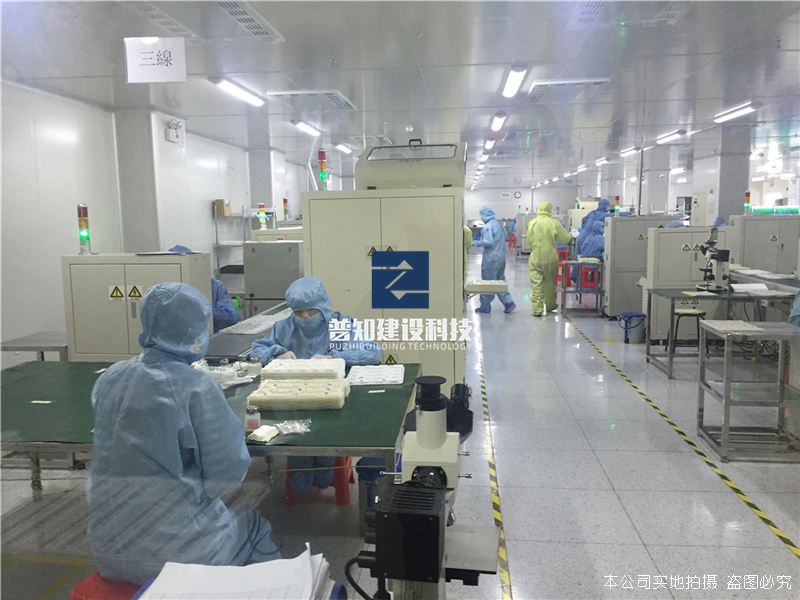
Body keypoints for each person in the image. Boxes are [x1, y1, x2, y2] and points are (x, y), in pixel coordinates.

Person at [86, 283, 280, 584]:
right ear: (194, 333)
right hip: (177, 555)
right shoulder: (195, 388)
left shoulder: (110, 378)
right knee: (253, 523)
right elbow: (224, 478)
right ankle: (278, 587)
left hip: (108, 551)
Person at [250, 276, 381, 492]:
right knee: (294, 435)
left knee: (327, 436)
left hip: (331, 397)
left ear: (323, 306)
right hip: (291, 399)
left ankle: (325, 463)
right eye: (299, 312)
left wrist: (336, 357)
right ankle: (301, 465)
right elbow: (257, 349)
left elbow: (372, 352)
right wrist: (276, 353)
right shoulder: (284, 327)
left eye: (311, 312)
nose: (305, 317)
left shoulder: (341, 325)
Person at [168, 245, 242, 333]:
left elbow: (232, 317)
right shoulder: (162, 292)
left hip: (211, 338)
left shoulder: (214, 286)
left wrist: (199, 310)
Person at [527, 201, 572, 316]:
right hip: (551, 257)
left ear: (538, 209)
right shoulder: (555, 223)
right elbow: (565, 239)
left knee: (536, 284)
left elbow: (529, 240)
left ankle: (537, 309)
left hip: (536, 256)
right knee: (550, 282)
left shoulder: (532, 223)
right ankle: (550, 305)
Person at [473, 206, 516, 313]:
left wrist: (476, 243)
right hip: (501, 257)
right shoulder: (499, 225)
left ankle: (485, 306)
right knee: (500, 280)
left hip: (491, 259)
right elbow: (505, 236)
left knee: (488, 282)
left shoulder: (488, 227)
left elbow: (489, 242)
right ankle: (508, 302)